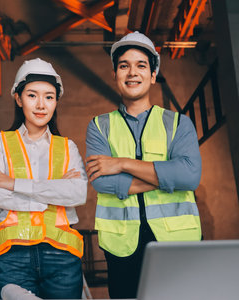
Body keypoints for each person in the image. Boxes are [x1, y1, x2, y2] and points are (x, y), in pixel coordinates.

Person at [85, 31, 202, 299]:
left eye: (141, 65)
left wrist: (122, 163)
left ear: (152, 75)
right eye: (124, 66)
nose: (132, 73)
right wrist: (165, 175)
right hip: (121, 244)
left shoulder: (177, 123)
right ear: (115, 75)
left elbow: (189, 176)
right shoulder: (99, 126)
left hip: (176, 242)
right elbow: (102, 182)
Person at [0, 58, 87, 299]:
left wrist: (12, 183)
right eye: (32, 95)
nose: (41, 105)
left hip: (62, 255)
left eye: (49, 96)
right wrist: (51, 194)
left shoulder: (68, 147)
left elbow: (77, 194)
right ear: (18, 99)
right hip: (13, 255)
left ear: (56, 101)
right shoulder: (0, 142)